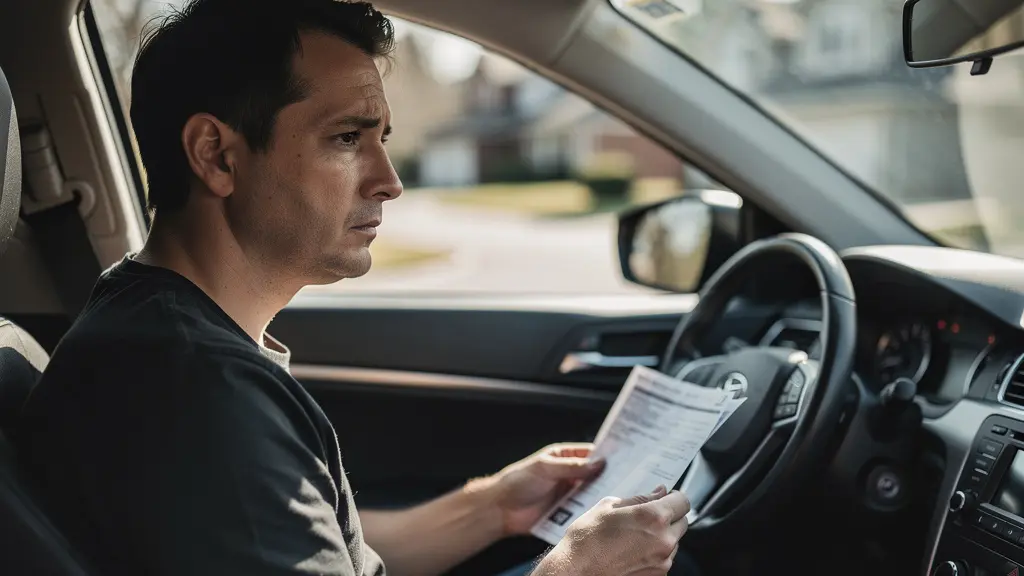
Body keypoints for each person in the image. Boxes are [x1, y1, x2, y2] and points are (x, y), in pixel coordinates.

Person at [13, 0, 695, 574]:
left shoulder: (151, 323)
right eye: (347, 138)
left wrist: (493, 507)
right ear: (216, 155)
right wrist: (576, 568)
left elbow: (320, 544)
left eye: (382, 139)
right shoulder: (198, 392)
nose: (389, 181)